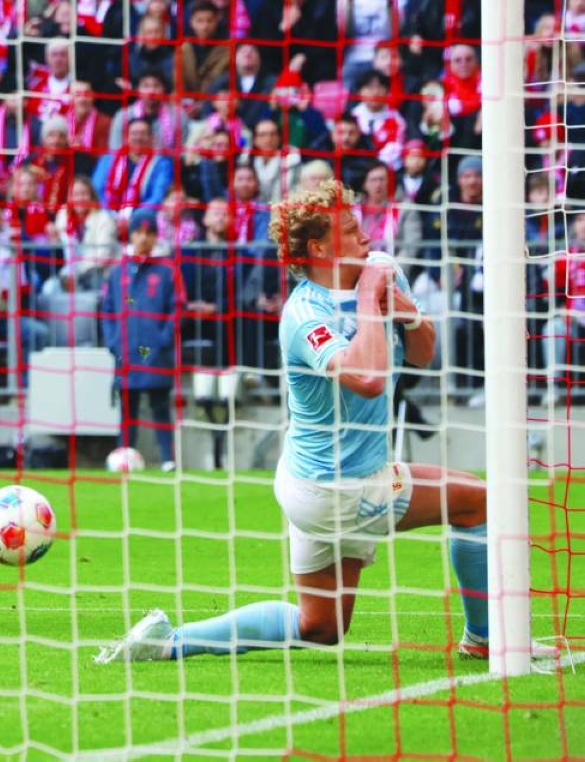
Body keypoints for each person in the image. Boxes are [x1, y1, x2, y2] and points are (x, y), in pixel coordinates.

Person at [96, 179, 528, 665]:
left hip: (313, 478)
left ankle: (168, 641)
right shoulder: (304, 314)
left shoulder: (382, 269)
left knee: (320, 626)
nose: (366, 235)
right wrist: (369, 301)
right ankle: (483, 639)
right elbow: (368, 381)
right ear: (320, 248)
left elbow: (423, 354)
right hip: (338, 488)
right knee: (478, 502)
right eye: (350, 229)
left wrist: (408, 316)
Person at [100, 208, 181, 473]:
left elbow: (177, 309)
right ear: (131, 235)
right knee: (127, 409)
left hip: (157, 353)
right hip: (126, 351)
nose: (143, 238)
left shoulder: (168, 270)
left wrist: (163, 338)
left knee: (160, 406)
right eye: (138, 232)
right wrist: (113, 341)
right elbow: (107, 309)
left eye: (149, 233)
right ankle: (124, 456)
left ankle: (168, 459)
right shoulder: (117, 272)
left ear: (156, 236)